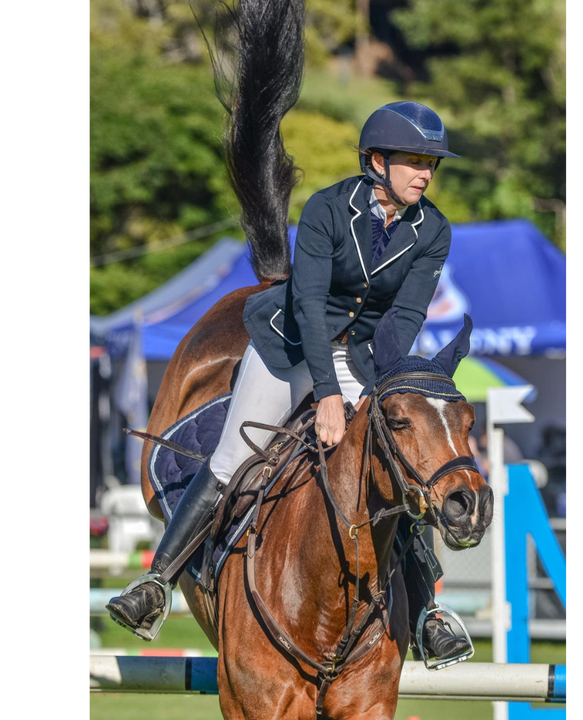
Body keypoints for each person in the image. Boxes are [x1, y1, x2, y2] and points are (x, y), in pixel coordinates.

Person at [108, 101, 473, 665]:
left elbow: (403, 321)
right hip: (292, 345)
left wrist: (395, 385)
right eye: (414, 161)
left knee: (393, 463)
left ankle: (428, 614)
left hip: (361, 356)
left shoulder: (434, 231)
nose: (425, 174)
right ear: (376, 161)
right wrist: (326, 393)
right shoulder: (329, 208)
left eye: (431, 164)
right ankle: (155, 583)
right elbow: (306, 303)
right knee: (232, 458)